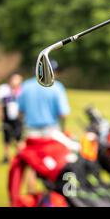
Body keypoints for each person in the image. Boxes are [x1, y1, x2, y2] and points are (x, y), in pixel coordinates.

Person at [17, 60, 71, 193]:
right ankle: (52, 193)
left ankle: (32, 193)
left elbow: (20, 111)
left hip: (30, 132)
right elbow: (63, 113)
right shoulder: (57, 87)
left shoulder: (26, 86)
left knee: (31, 163)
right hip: (51, 131)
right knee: (53, 162)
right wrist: (63, 130)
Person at [0, 73, 24, 163]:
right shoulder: (3, 89)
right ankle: (6, 156)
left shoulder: (22, 90)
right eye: (14, 79)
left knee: (18, 137)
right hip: (6, 116)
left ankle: (19, 156)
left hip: (18, 117)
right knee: (6, 137)